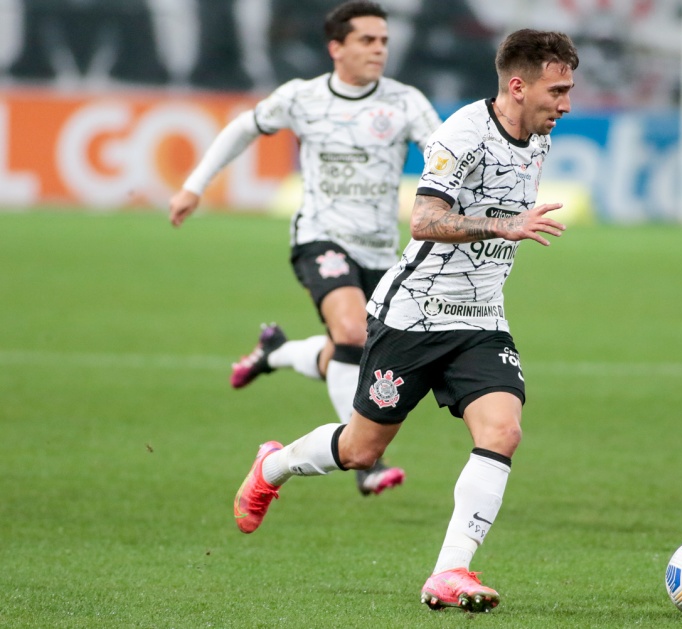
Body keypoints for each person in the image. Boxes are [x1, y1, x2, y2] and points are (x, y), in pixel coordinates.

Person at [232, 28, 578, 612]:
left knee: (503, 431)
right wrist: (503, 226)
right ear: (518, 86)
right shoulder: (462, 134)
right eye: (558, 90)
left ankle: (450, 572)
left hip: (481, 318)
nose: (566, 104)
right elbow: (423, 219)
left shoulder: (538, 138)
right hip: (413, 316)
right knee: (363, 450)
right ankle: (274, 464)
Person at [168, 1, 442, 496]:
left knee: (352, 351)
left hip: (382, 252)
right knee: (353, 333)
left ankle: (276, 352)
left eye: (383, 40)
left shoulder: (406, 103)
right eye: (366, 40)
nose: (379, 49)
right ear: (336, 47)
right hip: (321, 237)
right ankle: (365, 463)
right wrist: (194, 185)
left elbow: (445, 157)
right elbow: (242, 128)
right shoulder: (302, 98)